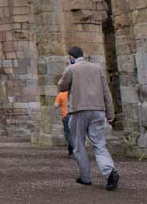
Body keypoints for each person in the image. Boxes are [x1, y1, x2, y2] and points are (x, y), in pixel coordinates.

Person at [58, 46, 119, 190]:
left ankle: (85, 177)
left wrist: (68, 73)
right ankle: (110, 171)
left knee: (78, 144)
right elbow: (106, 92)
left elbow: (62, 87)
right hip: (98, 110)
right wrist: (110, 114)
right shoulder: (97, 68)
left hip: (79, 110)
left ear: (71, 57)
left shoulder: (71, 69)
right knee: (99, 143)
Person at [54, 90, 74, 157]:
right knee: (75, 134)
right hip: (76, 115)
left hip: (66, 116)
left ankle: (74, 151)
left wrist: (60, 103)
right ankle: (71, 152)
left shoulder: (61, 94)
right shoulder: (76, 93)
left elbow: (56, 105)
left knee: (69, 134)